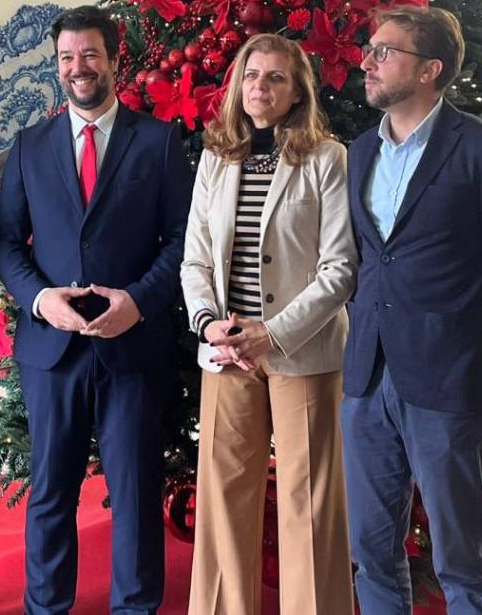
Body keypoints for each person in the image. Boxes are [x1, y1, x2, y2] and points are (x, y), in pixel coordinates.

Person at [342, 5, 482, 614]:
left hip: (453, 379)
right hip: (367, 376)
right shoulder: (360, 152)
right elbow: (363, 259)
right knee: (370, 549)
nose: (368, 61)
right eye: (370, 48)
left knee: (460, 556)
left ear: (429, 69)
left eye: (385, 51)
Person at [0, 5, 192, 615]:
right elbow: (6, 242)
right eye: (66, 57)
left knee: (134, 491)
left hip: (132, 345)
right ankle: (46, 606)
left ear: (113, 59)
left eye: (89, 55)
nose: (77, 67)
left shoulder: (158, 142)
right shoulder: (29, 147)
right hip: (52, 349)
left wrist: (139, 301)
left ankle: (135, 607)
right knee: (51, 491)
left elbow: (183, 239)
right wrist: (39, 299)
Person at [179, 33, 356, 615]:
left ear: (297, 91)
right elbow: (195, 258)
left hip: (302, 351)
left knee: (310, 504)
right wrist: (208, 323)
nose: (261, 86)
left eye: (276, 77)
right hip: (226, 350)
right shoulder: (216, 157)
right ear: (238, 85)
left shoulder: (327, 159)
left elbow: (340, 269)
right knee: (223, 497)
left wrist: (273, 332)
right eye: (252, 75)